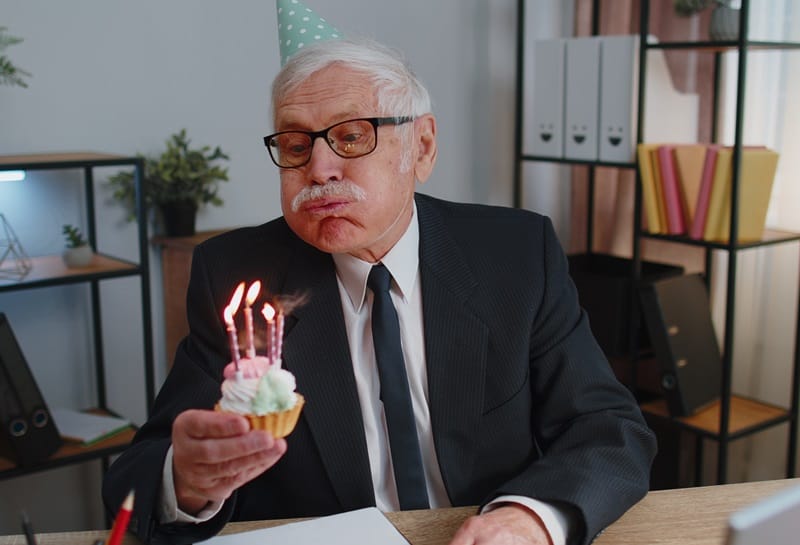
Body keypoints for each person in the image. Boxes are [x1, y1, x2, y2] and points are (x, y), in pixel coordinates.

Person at [102, 7, 656, 545]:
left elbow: (608, 429)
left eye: (351, 136)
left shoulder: (515, 254)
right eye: (296, 146)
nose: (319, 169)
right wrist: (189, 481)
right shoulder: (238, 276)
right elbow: (136, 478)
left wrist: (530, 520)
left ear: (422, 147)